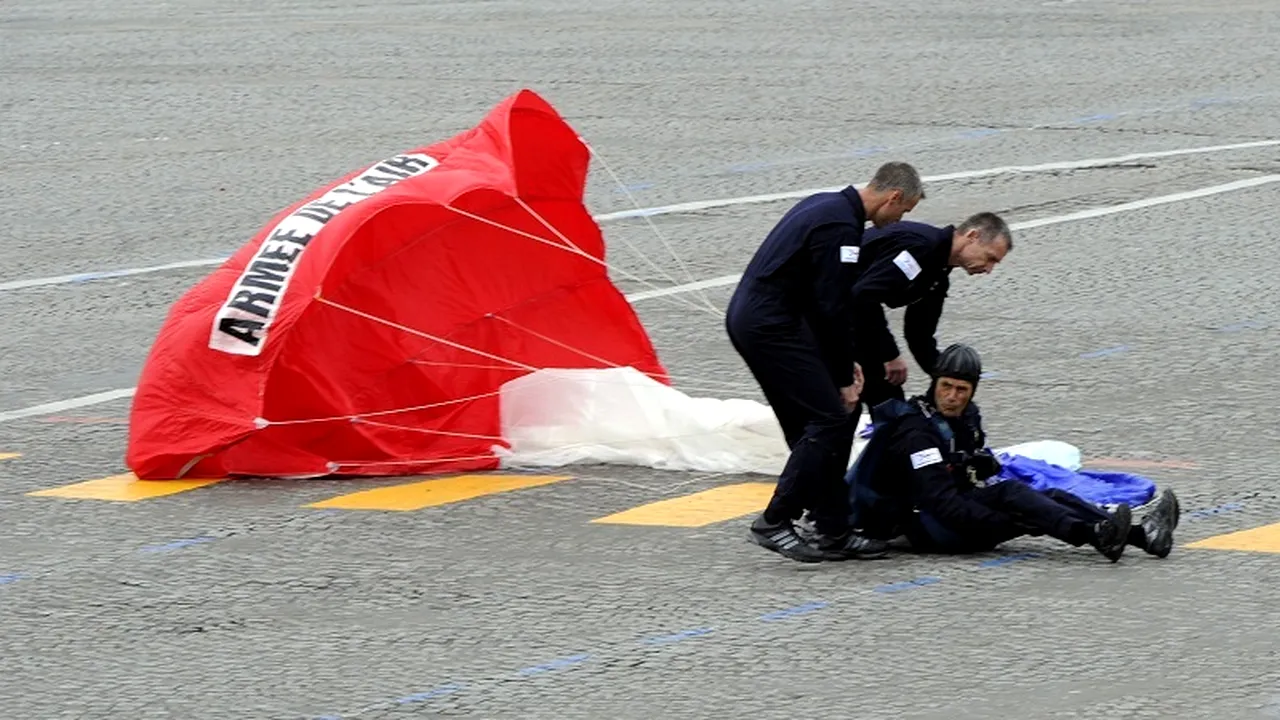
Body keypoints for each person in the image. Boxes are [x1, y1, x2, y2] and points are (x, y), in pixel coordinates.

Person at [726, 162, 925, 562]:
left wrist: (842, 360)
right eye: (902, 213)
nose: (896, 221)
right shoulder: (841, 228)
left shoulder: (827, 204)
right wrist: (842, 373)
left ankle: (833, 528)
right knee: (830, 418)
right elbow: (832, 306)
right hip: (772, 327)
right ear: (893, 197)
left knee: (810, 426)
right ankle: (775, 520)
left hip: (760, 320)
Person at [844, 343, 1181, 561]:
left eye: (961, 390)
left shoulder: (968, 418)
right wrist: (1006, 520)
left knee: (1045, 495)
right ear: (934, 385)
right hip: (929, 526)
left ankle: (1137, 535)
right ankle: (1102, 534)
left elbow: (965, 473)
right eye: (945, 387)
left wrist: (980, 465)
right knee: (1020, 499)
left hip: (953, 508)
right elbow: (943, 505)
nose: (952, 396)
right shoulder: (917, 433)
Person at [850, 213, 1014, 410]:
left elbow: (919, 333)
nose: (989, 269)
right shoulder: (920, 249)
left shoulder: (938, 273)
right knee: (845, 410)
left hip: (849, 319)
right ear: (972, 236)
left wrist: (947, 377)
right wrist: (890, 355)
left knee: (891, 408)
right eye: (990, 258)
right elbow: (863, 297)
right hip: (819, 315)